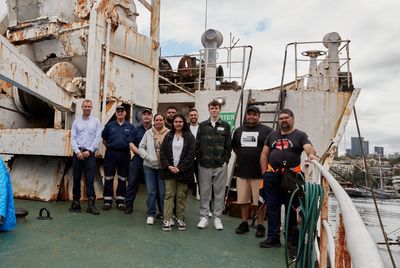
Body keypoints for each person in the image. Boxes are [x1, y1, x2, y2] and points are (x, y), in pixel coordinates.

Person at [259, 108, 317, 248]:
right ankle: (273, 238)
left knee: (291, 207)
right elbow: (264, 154)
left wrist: (311, 155)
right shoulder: (272, 135)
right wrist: (265, 173)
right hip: (272, 177)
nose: (283, 120)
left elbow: (309, 148)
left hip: (291, 178)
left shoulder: (300, 135)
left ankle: (291, 240)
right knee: (272, 207)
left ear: (293, 118)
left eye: (286, 117)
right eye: (281, 118)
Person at [232, 106, 273, 237]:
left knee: (260, 202)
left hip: (259, 173)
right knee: (243, 200)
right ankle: (244, 223)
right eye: (249, 114)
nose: (251, 117)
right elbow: (235, 147)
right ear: (246, 116)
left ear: (258, 116)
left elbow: (272, 149)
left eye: (254, 115)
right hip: (242, 172)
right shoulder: (238, 131)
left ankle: (260, 225)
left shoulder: (267, 131)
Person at [196, 100, 232, 230]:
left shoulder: (226, 126)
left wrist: (225, 161)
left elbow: (228, 145)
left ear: (219, 109)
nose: (214, 110)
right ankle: (204, 217)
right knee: (205, 192)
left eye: (216, 108)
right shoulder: (203, 126)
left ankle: (217, 218)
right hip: (204, 164)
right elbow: (198, 143)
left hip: (220, 165)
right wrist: (200, 159)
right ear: (209, 109)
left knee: (219, 192)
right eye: (212, 108)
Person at [160, 114, 196, 231]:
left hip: (183, 171)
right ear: (173, 123)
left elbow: (191, 155)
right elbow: (163, 153)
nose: (178, 123)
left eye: (180, 121)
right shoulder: (169, 136)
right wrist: (169, 166)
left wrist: (179, 168)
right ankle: (167, 219)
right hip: (169, 170)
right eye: (176, 122)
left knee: (181, 195)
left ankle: (180, 218)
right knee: (169, 195)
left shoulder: (189, 137)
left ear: (184, 123)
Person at [69, 99, 101, 215]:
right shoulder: (76, 122)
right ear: (82, 108)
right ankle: (76, 203)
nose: (87, 108)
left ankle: (91, 205)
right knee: (76, 178)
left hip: (90, 154)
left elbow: (98, 138)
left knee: (90, 179)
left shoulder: (96, 122)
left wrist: (90, 151)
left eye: (89, 106)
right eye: (85, 106)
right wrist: (77, 152)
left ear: (91, 108)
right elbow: (72, 137)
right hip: (77, 154)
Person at [102, 105, 134, 210]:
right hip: (111, 154)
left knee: (122, 178)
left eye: (122, 111)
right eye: (118, 111)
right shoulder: (109, 125)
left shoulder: (130, 127)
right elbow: (104, 140)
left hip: (125, 154)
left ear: (125, 113)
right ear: (116, 113)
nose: (120, 113)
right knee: (108, 177)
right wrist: (112, 147)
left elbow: (132, 142)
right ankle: (107, 201)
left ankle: (121, 201)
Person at [138, 113, 169, 225]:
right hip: (149, 167)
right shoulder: (148, 133)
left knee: (162, 193)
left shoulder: (169, 133)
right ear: (154, 121)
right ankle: (151, 214)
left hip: (163, 168)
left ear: (164, 121)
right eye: (157, 120)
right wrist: (149, 158)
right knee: (151, 192)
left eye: (161, 120)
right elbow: (140, 147)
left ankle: (163, 213)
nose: (159, 122)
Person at [124, 108, 153, 214]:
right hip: (137, 159)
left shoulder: (154, 130)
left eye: (148, 114)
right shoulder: (136, 130)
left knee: (151, 186)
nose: (146, 116)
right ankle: (128, 205)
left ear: (151, 117)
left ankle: (151, 208)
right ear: (141, 117)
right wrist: (141, 154)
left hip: (151, 160)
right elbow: (130, 144)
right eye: (144, 114)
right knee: (132, 183)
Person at [188, 108, 200, 197]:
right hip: (187, 160)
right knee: (184, 185)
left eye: (195, 115)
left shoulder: (203, 128)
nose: (193, 116)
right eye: (191, 115)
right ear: (189, 117)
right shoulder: (185, 129)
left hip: (200, 160)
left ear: (198, 116)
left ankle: (205, 208)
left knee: (202, 183)